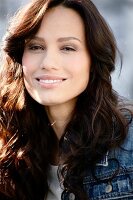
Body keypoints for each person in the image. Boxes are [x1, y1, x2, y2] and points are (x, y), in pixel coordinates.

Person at [0, 0, 133, 199]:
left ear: (93, 60)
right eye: (36, 47)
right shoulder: (11, 145)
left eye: (68, 48)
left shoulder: (129, 145)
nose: (48, 63)